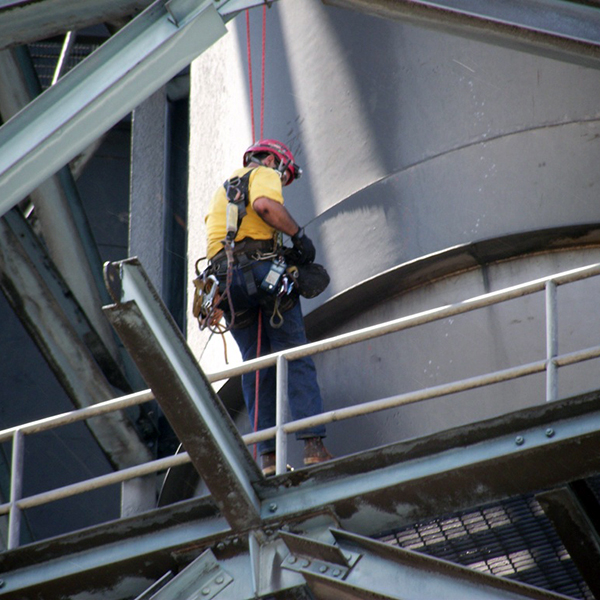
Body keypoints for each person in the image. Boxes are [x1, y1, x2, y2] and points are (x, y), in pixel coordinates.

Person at [204, 139, 332, 475]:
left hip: (225, 287)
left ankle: (269, 460)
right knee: (294, 356)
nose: (282, 183)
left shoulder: (221, 193)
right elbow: (264, 206)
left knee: (257, 366)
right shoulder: (263, 173)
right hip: (261, 274)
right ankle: (314, 446)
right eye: (285, 176)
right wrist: (298, 236)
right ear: (275, 161)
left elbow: (235, 237)